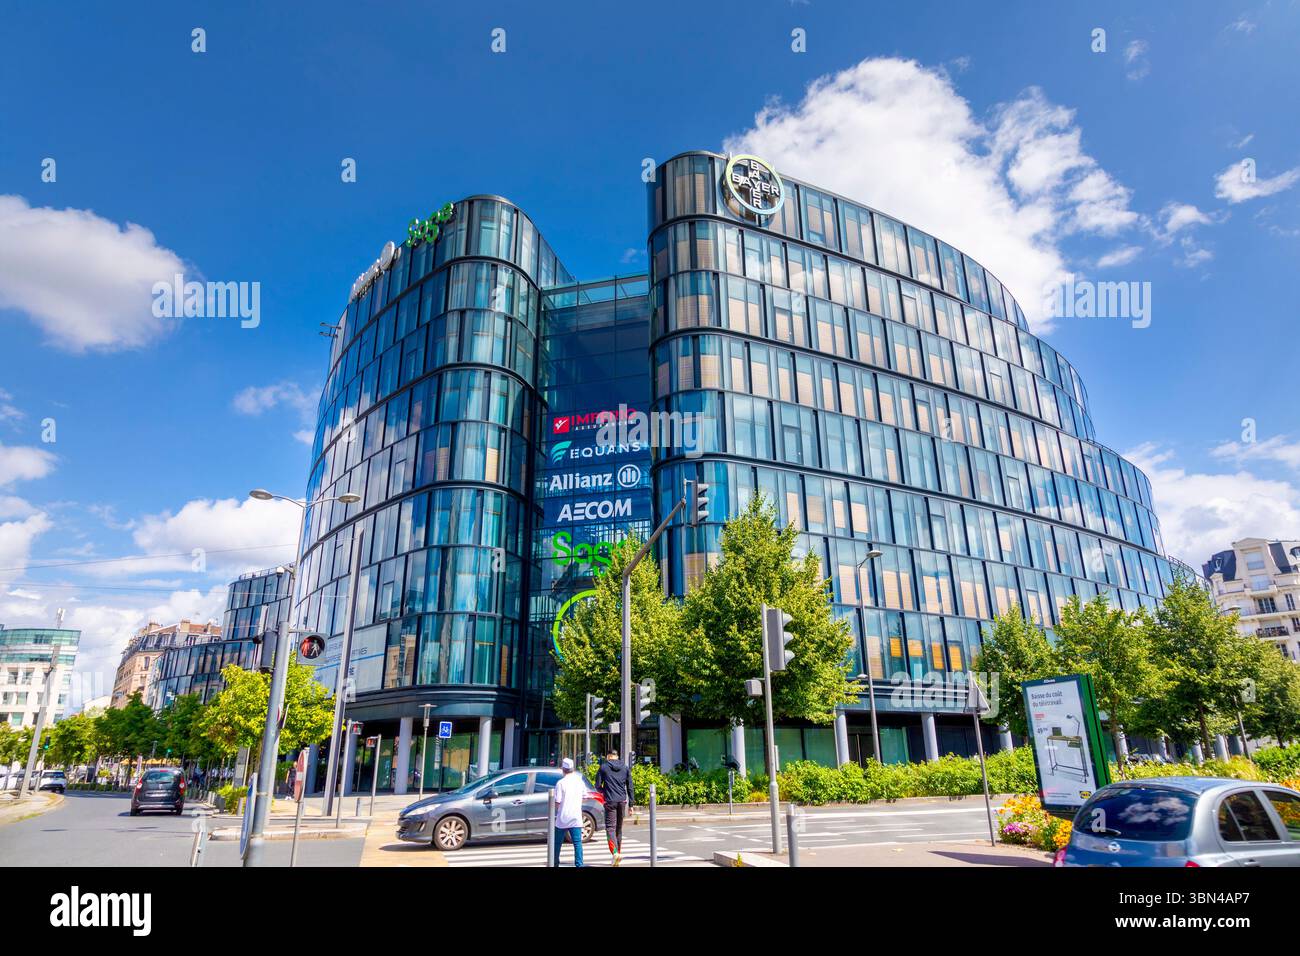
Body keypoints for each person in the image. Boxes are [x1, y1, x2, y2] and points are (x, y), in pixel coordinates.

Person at [595, 749, 632, 866]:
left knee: (610, 828)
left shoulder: (603, 767)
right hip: (622, 801)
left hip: (610, 801)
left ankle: (615, 853)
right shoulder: (626, 768)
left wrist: (605, 792)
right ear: (617, 756)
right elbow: (630, 787)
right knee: (618, 829)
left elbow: (597, 786)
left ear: (608, 756)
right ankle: (617, 856)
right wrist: (631, 804)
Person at [552, 758, 586, 867]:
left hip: (563, 817)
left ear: (563, 769)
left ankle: (555, 863)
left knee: (557, 844)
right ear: (572, 769)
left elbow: (557, 802)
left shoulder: (561, 783)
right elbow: (585, 797)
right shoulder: (579, 781)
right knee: (577, 843)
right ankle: (579, 864)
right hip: (576, 817)